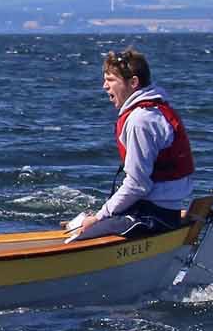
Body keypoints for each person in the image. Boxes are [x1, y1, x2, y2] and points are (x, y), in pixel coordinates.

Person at [65, 48, 195, 238]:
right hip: (164, 211)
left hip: (153, 218)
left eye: (110, 80)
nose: (104, 86)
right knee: (79, 224)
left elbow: (137, 185)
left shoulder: (139, 121)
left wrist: (99, 217)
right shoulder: (157, 111)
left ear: (133, 82)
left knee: (79, 235)